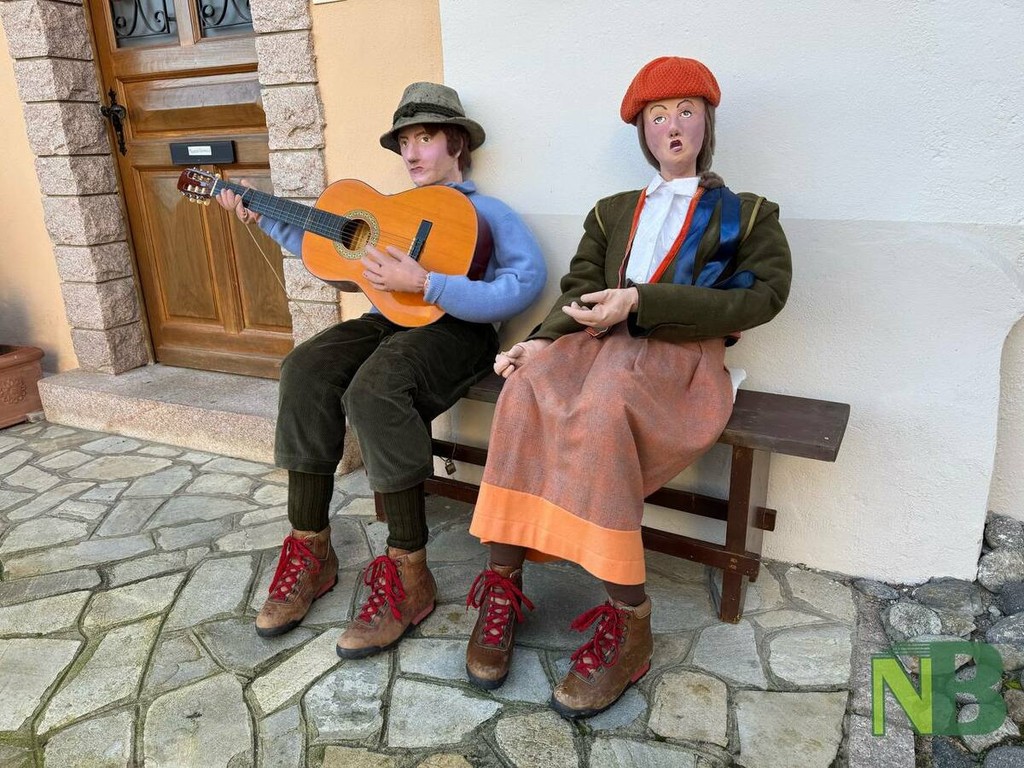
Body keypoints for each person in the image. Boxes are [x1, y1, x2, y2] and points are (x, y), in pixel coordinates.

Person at [462, 57, 792, 717]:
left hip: (677, 361)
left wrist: (641, 304)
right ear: (643, 131)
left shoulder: (747, 214)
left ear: (706, 123)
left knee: (605, 412)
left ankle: (630, 618)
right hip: (593, 347)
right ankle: (502, 586)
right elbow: (579, 287)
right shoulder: (613, 212)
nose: (672, 126)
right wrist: (538, 341)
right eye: (658, 116)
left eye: (685, 112)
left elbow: (766, 297)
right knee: (524, 392)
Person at [216, 82, 546, 658]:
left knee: (375, 391)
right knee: (305, 367)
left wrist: (430, 283)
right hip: (391, 324)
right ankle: (310, 547)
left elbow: (525, 280)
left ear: (457, 144)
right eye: (405, 142)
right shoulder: (390, 213)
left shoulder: (486, 211)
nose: (413, 153)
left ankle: (408, 570)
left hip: (458, 331)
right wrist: (260, 211)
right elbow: (321, 240)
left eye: (425, 138)